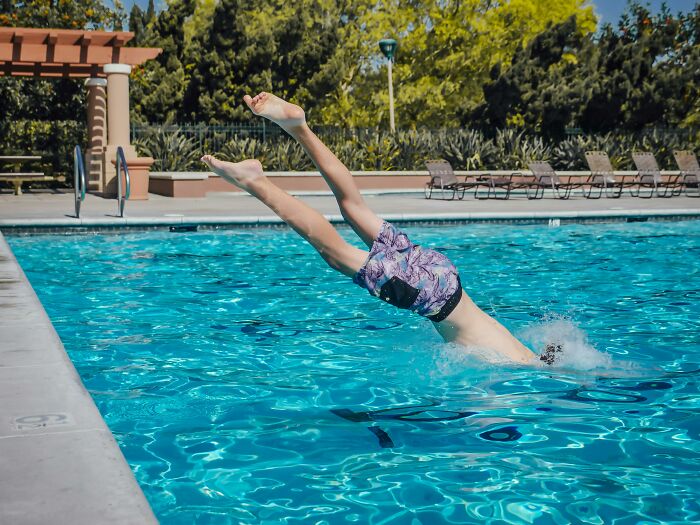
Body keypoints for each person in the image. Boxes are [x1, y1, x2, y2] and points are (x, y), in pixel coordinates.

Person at [201, 92, 539, 365]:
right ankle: (256, 182)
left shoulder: (530, 355)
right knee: (335, 253)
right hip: (431, 295)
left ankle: (297, 126)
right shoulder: (523, 370)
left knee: (353, 208)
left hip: (444, 276)